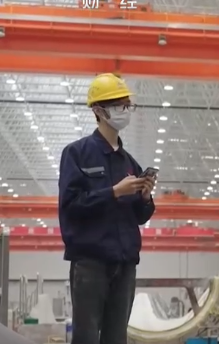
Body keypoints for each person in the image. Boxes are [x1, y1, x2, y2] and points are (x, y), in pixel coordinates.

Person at [58, 73, 156, 344]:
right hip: (90, 264)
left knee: (116, 338)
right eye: (117, 104)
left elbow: (139, 217)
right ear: (99, 111)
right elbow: (70, 206)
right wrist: (113, 192)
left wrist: (145, 198)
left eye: (127, 104)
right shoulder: (76, 154)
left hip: (125, 265)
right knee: (86, 337)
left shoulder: (129, 163)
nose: (124, 109)